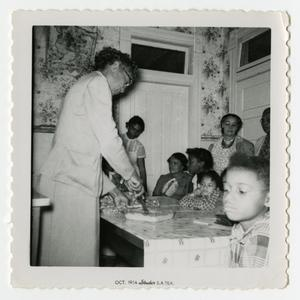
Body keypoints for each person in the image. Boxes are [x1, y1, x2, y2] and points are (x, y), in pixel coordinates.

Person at [37, 47, 144, 266]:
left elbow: (85, 151)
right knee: (75, 261)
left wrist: (113, 191)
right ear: (115, 65)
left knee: (59, 259)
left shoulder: (85, 84)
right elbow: (108, 140)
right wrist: (131, 175)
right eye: (126, 80)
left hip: (65, 179)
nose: (124, 89)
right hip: (69, 185)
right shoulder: (97, 83)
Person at [222, 153, 270, 267]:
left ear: (268, 199)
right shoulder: (240, 228)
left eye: (242, 191)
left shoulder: (262, 237)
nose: (228, 198)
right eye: (226, 189)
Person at [121, 116, 147, 192]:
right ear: (127, 126)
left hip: (133, 177)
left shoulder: (139, 146)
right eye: (133, 129)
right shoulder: (118, 139)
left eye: (138, 131)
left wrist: (144, 187)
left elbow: (142, 169)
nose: (135, 133)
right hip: (118, 175)